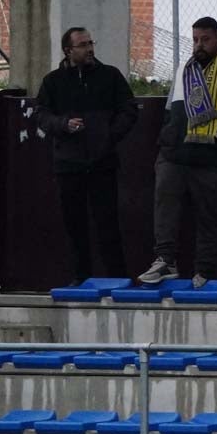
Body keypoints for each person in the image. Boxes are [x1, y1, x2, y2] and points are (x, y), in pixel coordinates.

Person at [139, 16, 217, 286]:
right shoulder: (186, 67)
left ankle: (204, 271)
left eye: (205, 39)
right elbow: (172, 110)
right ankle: (165, 260)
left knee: (210, 216)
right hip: (175, 155)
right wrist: (166, 142)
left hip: (213, 159)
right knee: (164, 208)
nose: (199, 45)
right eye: (195, 39)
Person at [34, 26, 137, 284]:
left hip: (103, 162)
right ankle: (81, 278)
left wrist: (109, 135)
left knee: (108, 225)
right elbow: (42, 115)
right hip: (69, 165)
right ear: (68, 51)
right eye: (83, 44)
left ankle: (118, 279)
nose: (90, 48)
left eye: (91, 42)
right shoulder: (53, 82)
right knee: (74, 226)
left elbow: (129, 109)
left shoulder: (110, 76)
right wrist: (63, 125)